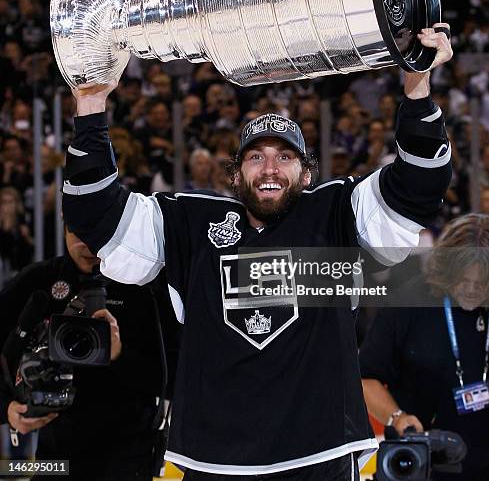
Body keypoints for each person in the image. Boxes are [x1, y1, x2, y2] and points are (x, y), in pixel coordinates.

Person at [62, 25, 453, 480]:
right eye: (255, 157)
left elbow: (419, 186)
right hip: (211, 461)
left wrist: (417, 85)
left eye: (284, 157)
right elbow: (96, 216)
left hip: (320, 457)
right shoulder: (189, 225)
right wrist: (90, 106)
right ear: (235, 175)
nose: (270, 168)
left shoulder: (336, 215)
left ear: (307, 174)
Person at [0, 226, 167, 480]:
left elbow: (174, 378)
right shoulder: (39, 282)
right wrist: (7, 408)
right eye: (78, 233)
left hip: (127, 455)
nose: (88, 245)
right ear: (64, 226)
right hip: (56, 457)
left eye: (97, 232)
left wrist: (120, 355)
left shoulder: (144, 286)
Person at [360, 214, 489, 481]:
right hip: (423, 464)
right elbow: (366, 379)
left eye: (483, 284)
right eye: (464, 280)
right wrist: (397, 417)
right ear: (447, 271)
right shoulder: (408, 303)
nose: (472, 290)